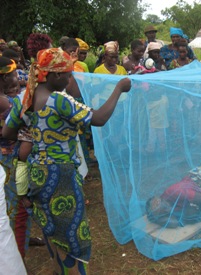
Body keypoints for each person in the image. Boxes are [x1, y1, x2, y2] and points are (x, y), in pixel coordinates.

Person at [3, 48, 131, 274]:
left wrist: (35, 135)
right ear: (54, 75)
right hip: (62, 175)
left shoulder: (26, 98)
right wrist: (119, 88)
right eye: (68, 75)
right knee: (72, 233)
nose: (71, 79)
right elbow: (99, 118)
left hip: (38, 173)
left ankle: (57, 269)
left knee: (51, 226)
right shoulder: (59, 100)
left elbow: (8, 131)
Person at [0, 56, 27, 275]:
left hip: (9, 158)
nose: (14, 78)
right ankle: (17, 256)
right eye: (9, 75)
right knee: (17, 207)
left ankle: (21, 246)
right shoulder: (5, 101)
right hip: (10, 159)